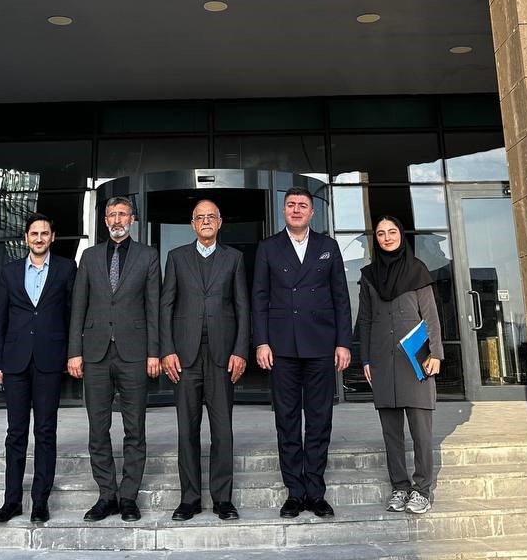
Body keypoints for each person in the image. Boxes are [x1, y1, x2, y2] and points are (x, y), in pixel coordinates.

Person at [251, 187, 351, 519]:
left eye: (302, 205)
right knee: (288, 420)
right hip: (281, 347)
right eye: (291, 205)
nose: (296, 210)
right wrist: (261, 342)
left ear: (312, 212)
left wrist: (343, 342)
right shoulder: (268, 247)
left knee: (320, 420)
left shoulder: (328, 246)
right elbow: (259, 298)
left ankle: (316, 492)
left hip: (321, 344)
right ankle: (295, 492)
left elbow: (341, 298)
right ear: (284, 211)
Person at [67, 196, 161, 522]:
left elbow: (153, 307)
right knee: (98, 429)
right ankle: (107, 495)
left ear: (132, 219)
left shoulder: (148, 256)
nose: (117, 219)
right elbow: (78, 306)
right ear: (105, 220)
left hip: (134, 353)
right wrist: (74, 352)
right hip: (95, 353)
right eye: (111, 214)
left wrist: (154, 352)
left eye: (122, 214)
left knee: (135, 429)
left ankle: (129, 497)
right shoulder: (89, 256)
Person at [160, 199, 250, 522]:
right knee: (187, 430)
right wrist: (167, 350)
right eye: (201, 217)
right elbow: (166, 306)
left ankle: (223, 499)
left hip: (222, 357)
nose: (207, 221)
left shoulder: (234, 258)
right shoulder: (176, 257)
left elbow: (242, 306)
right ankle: (190, 499)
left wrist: (241, 350)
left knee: (222, 430)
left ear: (220, 222)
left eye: (212, 216)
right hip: (184, 357)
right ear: (193, 224)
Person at [0, 212, 76, 524]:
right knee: (16, 432)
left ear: (53, 237)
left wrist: (72, 354)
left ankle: (40, 501)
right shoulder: (10, 271)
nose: (39, 238)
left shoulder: (67, 268)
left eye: (44, 233)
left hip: (49, 359)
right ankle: (11, 501)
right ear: (26, 238)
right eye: (34, 234)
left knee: (45, 431)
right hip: (15, 361)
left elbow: (72, 315)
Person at [357, 216, 443, 515]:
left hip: (415, 356)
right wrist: (366, 359)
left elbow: (431, 316)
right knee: (391, 432)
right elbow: (365, 320)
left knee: (421, 430)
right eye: (381, 233)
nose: (387, 237)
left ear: (401, 235)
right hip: (382, 359)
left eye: (392, 231)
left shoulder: (417, 270)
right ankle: (400, 486)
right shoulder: (369, 275)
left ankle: (422, 489)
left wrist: (436, 353)